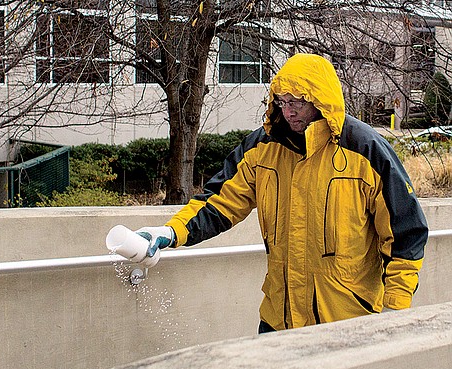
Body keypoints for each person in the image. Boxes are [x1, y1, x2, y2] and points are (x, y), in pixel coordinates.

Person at [130, 53, 429, 333]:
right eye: (282, 102)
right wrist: (168, 233)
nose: (288, 111)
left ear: (321, 99)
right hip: (278, 321)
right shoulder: (263, 148)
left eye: (297, 101)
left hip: (348, 322)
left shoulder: (364, 150)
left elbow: (405, 233)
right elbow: (218, 202)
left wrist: (395, 309)